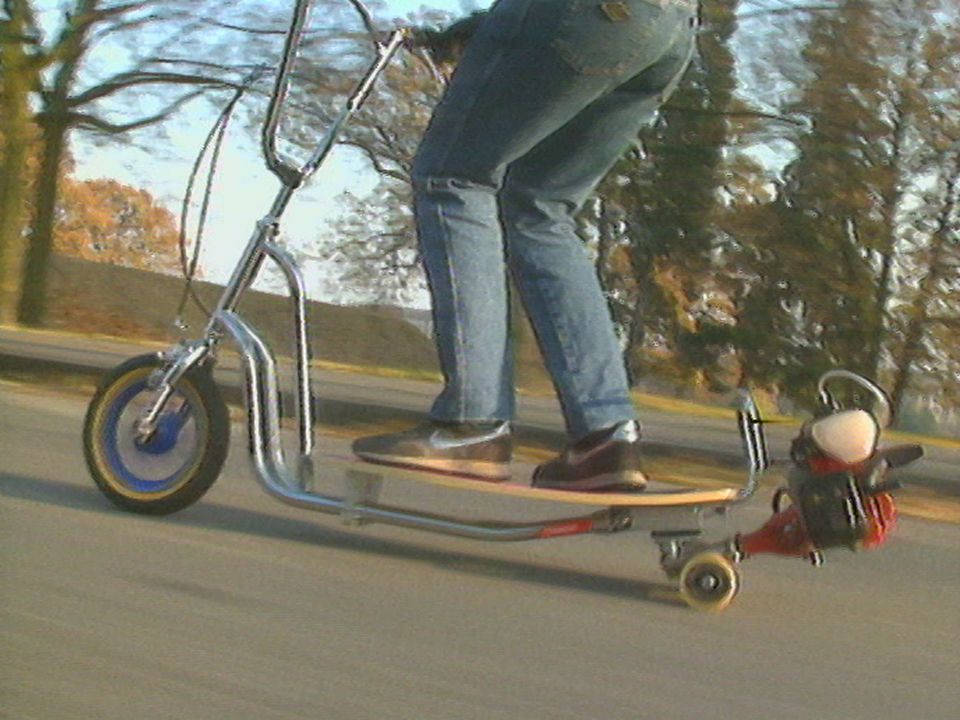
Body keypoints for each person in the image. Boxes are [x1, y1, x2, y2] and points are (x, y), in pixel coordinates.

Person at [353, 0, 699, 492]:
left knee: (452, 178)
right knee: (539, 208)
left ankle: (471, 425)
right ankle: (606, 439)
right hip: (669, 29)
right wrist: (478, 29)